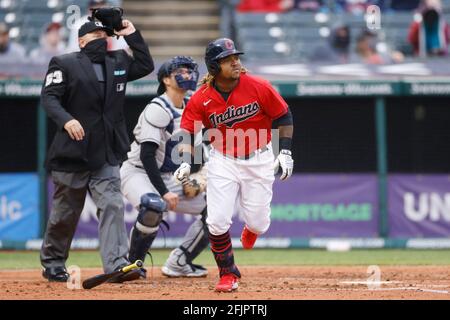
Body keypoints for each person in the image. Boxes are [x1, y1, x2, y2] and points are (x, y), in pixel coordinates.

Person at [174, 38, 294, 292]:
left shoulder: (258, 85)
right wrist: (185, 161)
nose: (236, 62)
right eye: (228, 60)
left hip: (260, 157)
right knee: (216, 221)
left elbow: (283, 115)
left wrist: (284, 151)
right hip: (223, 160)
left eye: (236, 57)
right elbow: (187, 130)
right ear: (214, 67)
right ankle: (228, 274)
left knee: (260, 222)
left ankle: (252, 229)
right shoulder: (202, 98)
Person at [40, 18, 154, 282]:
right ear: (81, 41)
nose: (102, 37)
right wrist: (67, 119)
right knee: (65, 213)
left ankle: (116, 264)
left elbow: (146, 64)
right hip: (72, 152)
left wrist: (131, 34)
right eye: (95, 34)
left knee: (113, 205)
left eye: (105, 33)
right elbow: (49, 97)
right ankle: (54, 262)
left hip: (105, 151)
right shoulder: (64, 62)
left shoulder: (119, 61)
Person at [120, 56, 210, 279]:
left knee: (218, 210)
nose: (188, 75)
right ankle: (133, 265)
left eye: (190, 71)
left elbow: (196, 151)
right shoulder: (158, 108)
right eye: (181, 71)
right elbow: (147, 155)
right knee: (153, 206)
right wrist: (164, 192)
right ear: (166, 80)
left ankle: (179, 262)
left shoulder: (192, 105)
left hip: (172, 174)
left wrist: (197, 176)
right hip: (139, 172)